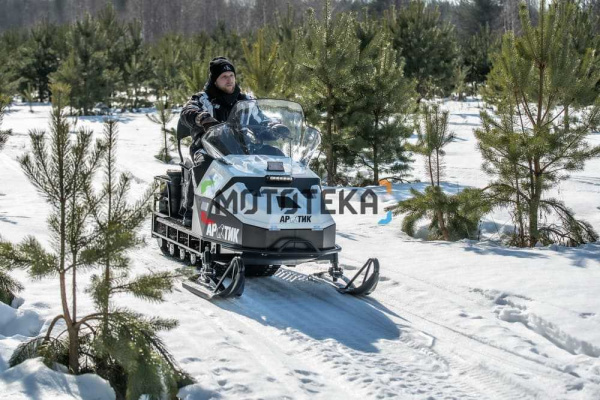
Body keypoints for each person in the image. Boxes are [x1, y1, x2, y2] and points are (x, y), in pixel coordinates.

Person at [178, 56, 289, 226]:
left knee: (277, 158)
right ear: (215, 80)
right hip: (208, 147)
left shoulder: (245, 101)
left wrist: (274, 127)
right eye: (224, 77)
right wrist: (202, 118)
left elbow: (261, 120)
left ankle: (282, 206)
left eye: (231, 75)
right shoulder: (203, 99)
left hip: (242, 149)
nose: (229, 80)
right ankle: (192, 210)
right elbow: (187, 111)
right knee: (204, 165)